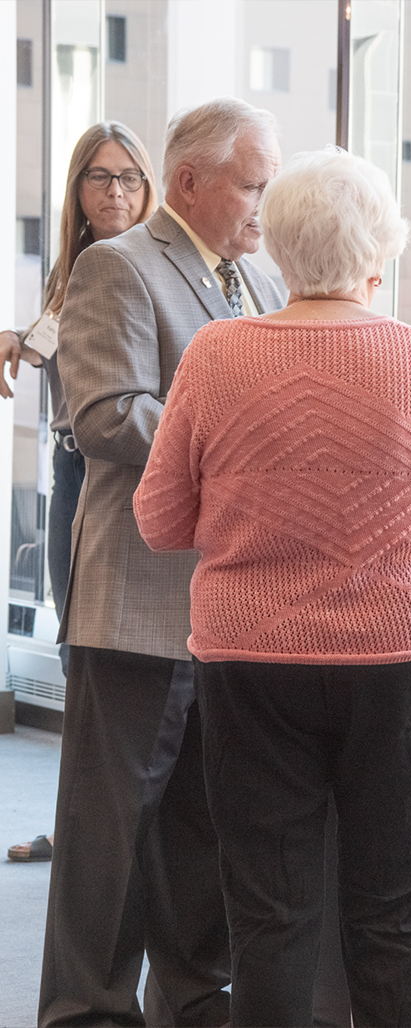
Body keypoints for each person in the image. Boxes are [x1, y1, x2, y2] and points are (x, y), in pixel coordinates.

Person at [133, 146, 411, 1028]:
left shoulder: (216, 357)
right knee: (394, 915)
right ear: (379, 251)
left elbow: (158, 521)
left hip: (250, 662)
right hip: (404, 662)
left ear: (276, 247)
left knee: (267, 918)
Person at [39, 97, 283, 1028]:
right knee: (110, 834)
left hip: (229, 606)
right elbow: (106, 416)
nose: (264, 204)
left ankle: (193, 998)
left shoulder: (256, 281)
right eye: (252, 185)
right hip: (137, 601)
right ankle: (87, 1010)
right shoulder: (119, 267)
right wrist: (244, 448)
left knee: (200, 828)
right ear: (192, 182)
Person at [3, 121, 157, 865]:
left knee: (105, 658)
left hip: (120, 471)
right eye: (100, 176)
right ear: (77, 189)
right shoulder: (78, 266)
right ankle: (79, 824)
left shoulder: (145, 267)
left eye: (129, 177)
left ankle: (101, 828)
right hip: (72, 472)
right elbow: (47, 335)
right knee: (77, 652)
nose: (116, 191)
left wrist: (25, 341)